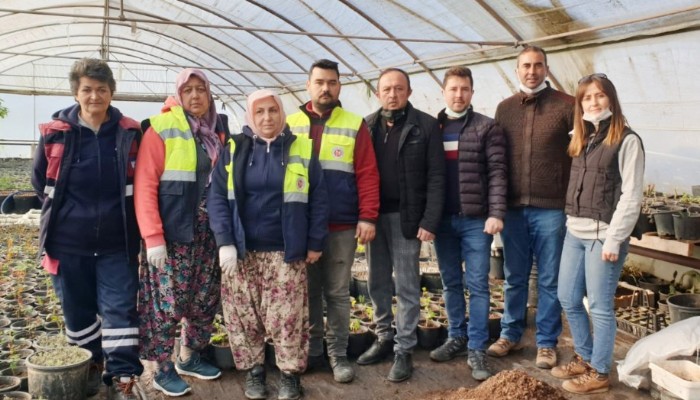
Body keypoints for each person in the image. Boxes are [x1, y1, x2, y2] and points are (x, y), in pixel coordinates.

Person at [31, 58, 145, 399]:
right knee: (77, 310)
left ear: (111, 93)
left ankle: (123, 378)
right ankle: (92, 367)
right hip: (68, 242)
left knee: (120, 308)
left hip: (117, 241)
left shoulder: (129, 132)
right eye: (87, 90)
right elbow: (41, 184)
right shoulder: (55, 133)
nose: (95, 96)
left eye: (102, 89)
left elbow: (140, 182)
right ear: (76, 93)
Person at [208, 89, 329, 400]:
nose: (266, 117)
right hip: (243, 251)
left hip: (285, 251)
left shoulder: (301, 147)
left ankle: (290, 375)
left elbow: (318, 198)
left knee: (288, 318)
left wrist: (314, 242)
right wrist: (225, 243)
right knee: (243, 316)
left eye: (272, 110)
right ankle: (255, 372)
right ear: (250, 116)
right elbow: (217, 198)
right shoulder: (234, 149)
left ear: (282, 113)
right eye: (259, 111)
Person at [135, 68, 228, 397]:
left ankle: (189, 357)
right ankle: (161, 367)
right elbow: (145, 186)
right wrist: (153, 237)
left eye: (201, 89)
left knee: (204, 299)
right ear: (178, 94)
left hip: (209, 233)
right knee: (166, 304)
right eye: (187, 90)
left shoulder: (218, 131)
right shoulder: (160, 129)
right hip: (173, 235)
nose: (195, 96)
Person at [286, 59, 380, 383]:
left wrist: (367, 216)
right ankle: (312, 352)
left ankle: (338, 354)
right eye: (320, 82)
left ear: (340, 86)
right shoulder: (290, 123)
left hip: (340, 225)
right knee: (308, 292)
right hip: (301, 224)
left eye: (332, 82)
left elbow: (367, 173)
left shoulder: (354, 124)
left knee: (338, 293)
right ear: (308, 85)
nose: (326, 88)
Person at [553, 74, 644, 394]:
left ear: (612, 100)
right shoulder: (581, 138)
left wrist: (615, 239)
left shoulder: (627, 140)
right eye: (587, 98)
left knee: (601, 306)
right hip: (574, 232)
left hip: (604, 235)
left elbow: (632, 196)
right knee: (567, 296)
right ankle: (586, 355)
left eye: (600, 96)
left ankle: (601, 372)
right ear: (580, 104)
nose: (593, 102)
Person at [487, 46, 574, 369]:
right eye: (526, 65)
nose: (532, 71)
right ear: (517, 69)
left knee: (549, 279)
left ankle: (547, 342)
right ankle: (510, 333)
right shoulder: (505, 108)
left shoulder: (567, 106)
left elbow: (578, 155)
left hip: (552, 208)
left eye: (538, 65)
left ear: (547, 69)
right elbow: (496, 158)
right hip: (512, 209)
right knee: (514, 277)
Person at [357, 68, 445, 382]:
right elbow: (359, 175)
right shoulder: (367, 126)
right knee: (376, 282)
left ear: (408, 92)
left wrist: (429, 220)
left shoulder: (425, 125)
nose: (392, 94)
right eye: (386, 89)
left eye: (398, 88)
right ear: (378, 93)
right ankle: (383, 337)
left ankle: (404, 348)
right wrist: (362, 215)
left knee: (407, 284)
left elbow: (437, 177)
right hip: (373, 217)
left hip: (407, 219)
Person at [429, 66, 507, 381]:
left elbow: (498, 172)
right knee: (450, 283)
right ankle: (456, 336)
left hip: (476, 221)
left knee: (477, 284)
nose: (458, 94)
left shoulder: (487, 128)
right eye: (453, 89)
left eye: (464, 89)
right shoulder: (432, 128)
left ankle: (476, 346)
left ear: (472, 93)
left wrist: (496, 212)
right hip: (443, 221)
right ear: (444, 92)